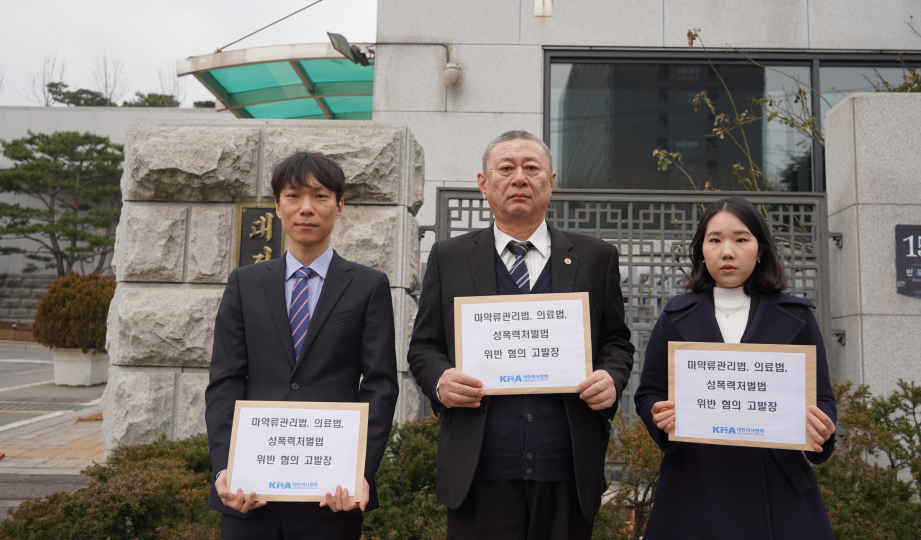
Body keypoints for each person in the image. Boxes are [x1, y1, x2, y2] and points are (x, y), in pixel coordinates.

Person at [408, 130, 635, 540]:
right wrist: (441, 381)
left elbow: (616, 342)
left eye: (532, 169)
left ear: (551, 182)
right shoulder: (448, 257)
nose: (519, 179)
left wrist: (612, 379)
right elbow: (424, 346)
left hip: (565, 467)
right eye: (506, 168)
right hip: (479, 470)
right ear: (484, 183)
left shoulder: (596, 257)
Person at [205, 151, 399, 540]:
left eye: (321, 196)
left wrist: (359, 471)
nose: (306, 208)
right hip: (250, 495)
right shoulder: (244, 283)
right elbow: (226, 380)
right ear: (277, 207)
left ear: (340, 206)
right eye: (294, 196)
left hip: (331, 497)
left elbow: (380, 384)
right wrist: (227, 469)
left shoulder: (367, 285)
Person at [634, 196, 837, 539]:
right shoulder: (675, 315)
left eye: (741, 239)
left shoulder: (797, 316)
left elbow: (822, 398)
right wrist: (658, 415)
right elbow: (649, 391)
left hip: (776, 489)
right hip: (693, 486)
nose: (727, 251)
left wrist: (820, 431)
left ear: (760, 250)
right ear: (701, 250)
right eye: (715, 240)